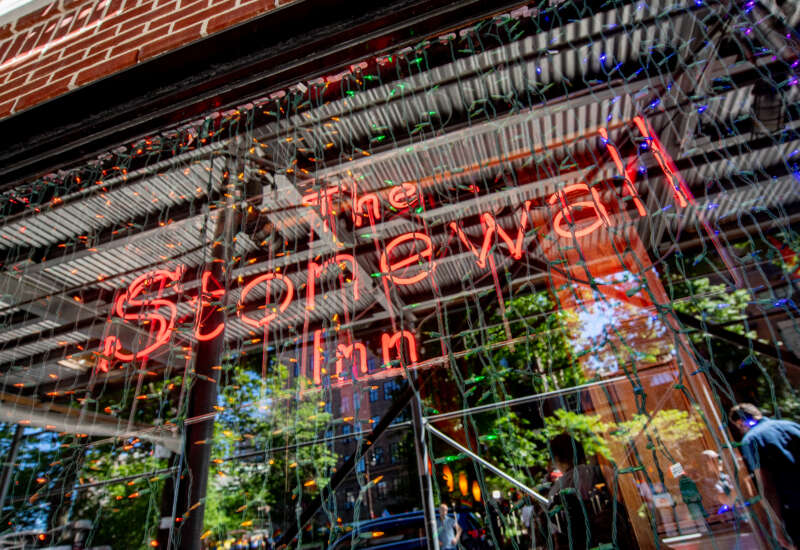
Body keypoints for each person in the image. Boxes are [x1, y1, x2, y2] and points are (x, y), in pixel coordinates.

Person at [546, 433, 636, 549]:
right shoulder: (604, 472)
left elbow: (557, 534)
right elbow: (630, 505)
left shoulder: (556, 490)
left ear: (557, 460)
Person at [730, 403, 800, 549]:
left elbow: (767, 486)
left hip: (794, 509)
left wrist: (777, 526)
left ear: (740, 423)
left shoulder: (751, 439)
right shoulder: (791, 425)